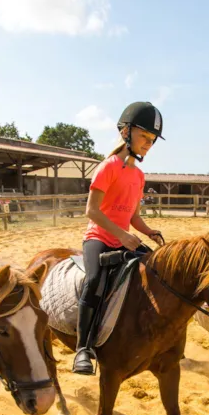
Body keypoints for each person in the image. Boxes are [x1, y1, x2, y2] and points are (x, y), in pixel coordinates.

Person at [72, 101, 166, 375]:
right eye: (144, 137)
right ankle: (83, 348)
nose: (148, 144)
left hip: (124, 239)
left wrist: (148, 231)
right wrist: (122, 235)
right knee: (93, 281)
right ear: (126, 132)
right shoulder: (108, 167)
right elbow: (92, 211)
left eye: (152, 140)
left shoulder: (139, 175)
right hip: (99, 238)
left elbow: (133, 217)